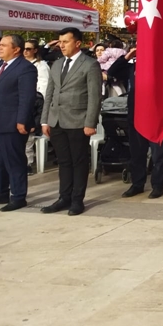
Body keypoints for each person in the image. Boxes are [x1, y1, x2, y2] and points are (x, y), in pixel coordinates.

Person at [40, 27, 103, 216]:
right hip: (56, 120)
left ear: (77, 43)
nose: (61, 45)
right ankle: (63, 197)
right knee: (64, 162)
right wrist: (45, 120)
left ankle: (77, 200)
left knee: (79, 161)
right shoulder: (57, 64)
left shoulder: (90, 64)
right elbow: (49, 93)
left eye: (65, 42)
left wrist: (90, 123)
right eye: (60, 42)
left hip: (78, 120)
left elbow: (94, 97)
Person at [110, 47, 163, 199]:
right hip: (136, 115)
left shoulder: (162, 66)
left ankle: (158, 185)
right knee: (137, 153)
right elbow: (112, 72)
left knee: (158, 155)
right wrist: (127, 56)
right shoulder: (132, 68)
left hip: (156, 117)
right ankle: (137, 184)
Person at [0, 35, 38, 211]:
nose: (0, 48)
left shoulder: (25, 68)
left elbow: (27, 97)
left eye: (4, 45)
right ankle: (1, 193)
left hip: (12, 123)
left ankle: (18, 196)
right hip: (0, 122)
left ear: (16, 49)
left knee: (14, 160)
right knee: (0, 161)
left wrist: (22, 120)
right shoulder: (1, 65)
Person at [22, 38, 49, 174]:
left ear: (35, 50)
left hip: (35, 103)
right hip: (21, 101)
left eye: (28, 49)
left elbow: (43, 87)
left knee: (29, 135)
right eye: (24, 49)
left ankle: (28, 162)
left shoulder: (41, 65)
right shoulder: (19, 64)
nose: (25, 52)